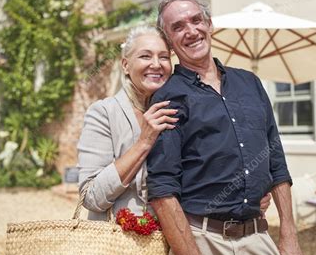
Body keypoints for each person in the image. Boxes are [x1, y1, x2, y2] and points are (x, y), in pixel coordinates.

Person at [146, 0, 304, 255]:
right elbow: (162, 188)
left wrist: (289, 237)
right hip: (202, 241)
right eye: (178, 27)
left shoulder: (250, 83)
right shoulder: (168, 97)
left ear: (209, 24)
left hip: (258, 237)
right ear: (169, 41)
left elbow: (276, 162)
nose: (191, 31)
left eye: (196, 20)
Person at [77, 25, 272, 222]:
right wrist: (144, 142)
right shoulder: (104, 113)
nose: (156, 64)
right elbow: (91, 197)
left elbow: (205, 173)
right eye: (145, 56)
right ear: (126, 65)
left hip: (177, 239)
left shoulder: (182, 109)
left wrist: (248, 197)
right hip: (119, 243)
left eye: (163, 57)